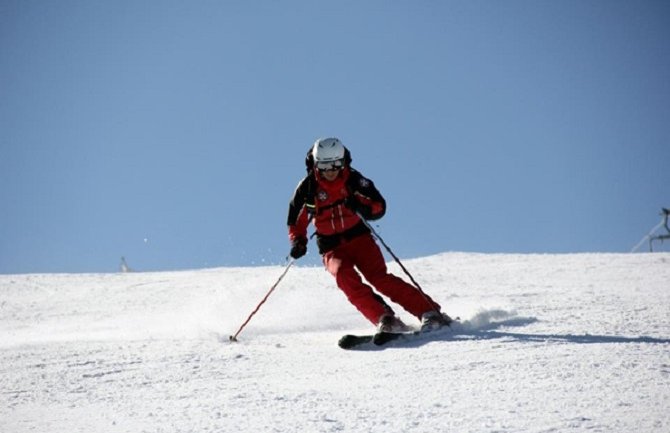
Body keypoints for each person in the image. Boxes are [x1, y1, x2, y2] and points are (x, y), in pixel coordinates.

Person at [287, 137, 452, 333]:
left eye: (336, 164)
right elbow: (296, 220)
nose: (330, 170)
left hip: (359, 238)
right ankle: (385, 319)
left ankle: (429, 312)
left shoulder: (354, 180)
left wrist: (361, 208)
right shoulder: (307, 189)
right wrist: (298, 241)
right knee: (344, 277)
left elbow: (379, 205)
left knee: (379, 278)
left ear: (343, 162)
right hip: (331, 246)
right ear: (316, 164)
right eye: (324, 165)